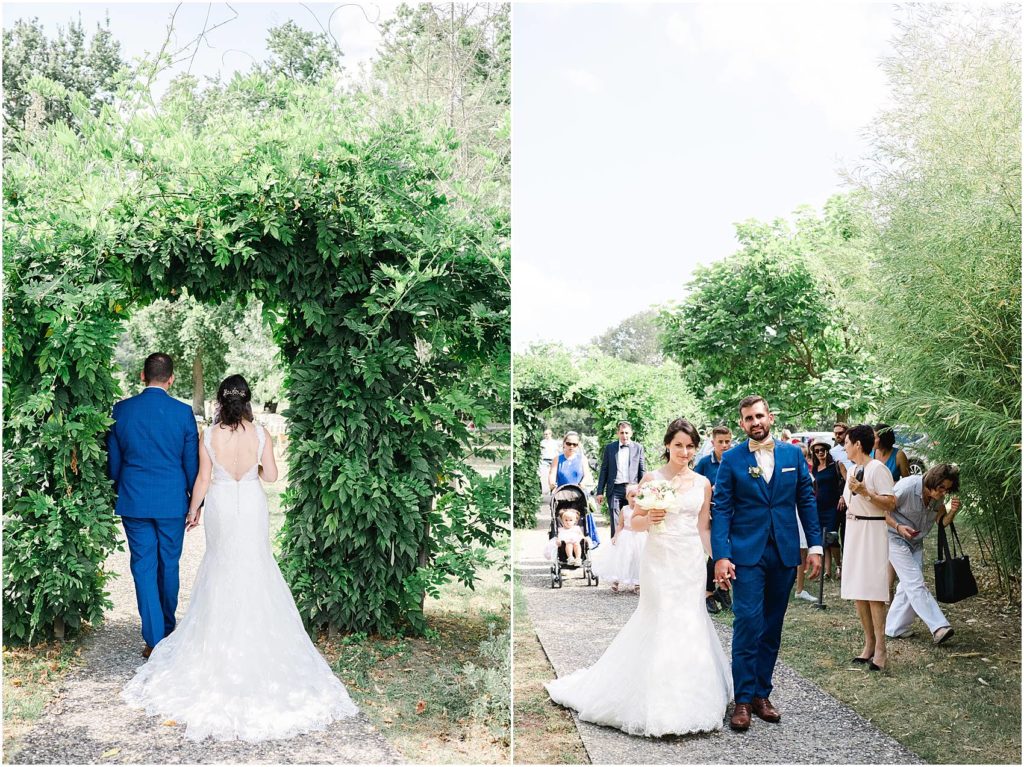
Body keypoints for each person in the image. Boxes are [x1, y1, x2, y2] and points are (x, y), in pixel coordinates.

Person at [122, 375, 358, 741]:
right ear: (248, 399)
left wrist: (192, 509)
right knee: (255, 566)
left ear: (220, 400)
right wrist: (257, 469)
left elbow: (202, 478)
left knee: (221, 566)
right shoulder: (261, 432)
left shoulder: (209, 434)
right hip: (249, 504)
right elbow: (273, 475)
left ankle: (217, 644)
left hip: (219, 503)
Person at [546, 418, 732, 736]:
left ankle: (689, 693)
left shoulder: (703, 483)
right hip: (659, 561)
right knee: (660, 619)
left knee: (690, 619)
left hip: (689, 563)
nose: (684, 452)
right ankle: (655, 700)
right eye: (678, 445)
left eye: (689, 446)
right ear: (667, 446)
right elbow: (635, 523)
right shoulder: (652, 479)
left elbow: (703, 528)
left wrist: (717, 560)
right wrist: (651, 516)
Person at [711, 395, 821, 731]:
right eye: (748, 418)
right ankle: (742, 700)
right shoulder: (731, 459)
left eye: (759, 416)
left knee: (772, 625)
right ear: (742, 424)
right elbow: (722, 509)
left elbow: (806, 500)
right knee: (747, 621)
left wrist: (815, 546)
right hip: (746, 554)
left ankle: (762, 694)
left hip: (784, 553)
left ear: (770, 417)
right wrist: (722, 555)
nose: (755, 422)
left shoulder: (792, 455)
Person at [108, 353, 199, 659]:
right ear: (171, 378)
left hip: (134, 500)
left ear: (141, 376)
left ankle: (154, 638)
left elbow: (115, 463)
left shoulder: (122, 410)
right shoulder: (183, 413)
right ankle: (168, 629)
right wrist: (195, 503)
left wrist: (122, 487)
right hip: (172, 501)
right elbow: (191, 464)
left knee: (143, 566)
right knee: (169, 564)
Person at [881, 464, 960, 645]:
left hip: (915, 542)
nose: (943, 493)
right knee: (915, 582)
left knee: (908, 586)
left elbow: (942, 522)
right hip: (893, 537)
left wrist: (954, 511)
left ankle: (894, 627)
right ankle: (939, 626)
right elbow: (881, 510)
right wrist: (898, 527)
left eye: (947, 490)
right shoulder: (907, 487)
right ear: (932, 481)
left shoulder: (938, 498)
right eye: (941, 488)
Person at [841, 423, 897, 672]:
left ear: (858, 444)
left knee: (874, 591)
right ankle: (869, 643)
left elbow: (891, 503)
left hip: (873, 530)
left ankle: (882, 648)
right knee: (858, 589)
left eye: (846, 442)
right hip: (854, 529)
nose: (843, 446)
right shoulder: (852, 468)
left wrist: (865, 492)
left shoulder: (878, 469)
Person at [694, 425, 733, 613]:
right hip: (712, 512)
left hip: (734, 512)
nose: (725, 445)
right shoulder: (704, 463)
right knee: (715, 551)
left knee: (732, 550)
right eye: (721, 442)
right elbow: (693, 484)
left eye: (727, 442)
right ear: (713, 443)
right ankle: (708, 592)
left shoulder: (735, 460)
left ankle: (722, 588)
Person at [592, 484, 647, 593]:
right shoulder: (624, 510)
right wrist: (616, 536)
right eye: (632, 496)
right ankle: (615, 580)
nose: (635, 499)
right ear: (627, 497)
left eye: (638, 496)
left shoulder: (643, 510)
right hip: (626, 535)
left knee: (638, 558)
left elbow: (646, 523)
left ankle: (637, 583)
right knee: (621, 557)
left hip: (639, 536)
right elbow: (620, 525)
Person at [596, 420, 646, 537]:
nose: (624, 436)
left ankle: (632, 547)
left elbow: (642, 470)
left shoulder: (638, 448)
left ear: (631, 433)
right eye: (622, 433)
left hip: (632, 489)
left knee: (632, 517)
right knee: (615, 518)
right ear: (618, 433)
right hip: (615, 488)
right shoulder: (610, 448)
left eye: (627, 433)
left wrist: (643, 489)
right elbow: (604, 470)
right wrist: (599, 492)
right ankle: (615, 544)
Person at [810, 439, 843, 579]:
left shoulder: (836, 465)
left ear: (827, 450)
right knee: (824, 540)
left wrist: (843, 496)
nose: (820, 453)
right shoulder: (815, 468)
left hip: (834, 506)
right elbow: (815, 487)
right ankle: (827, 570)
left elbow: (846, 482)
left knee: (832, 537)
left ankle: (839, 566)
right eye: (816, 451)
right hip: (819, 506)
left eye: (822, 450)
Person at [539, 428, 561, 495]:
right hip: (545, 460)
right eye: (545, 434)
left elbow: (558, 451)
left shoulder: (554, 442)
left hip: (553, 460)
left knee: (554, 474)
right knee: (546, 475)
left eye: (547, 434)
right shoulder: (542, 442)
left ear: (550, 434)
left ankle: (554, 488)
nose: (546, 435)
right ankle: (549, 488)